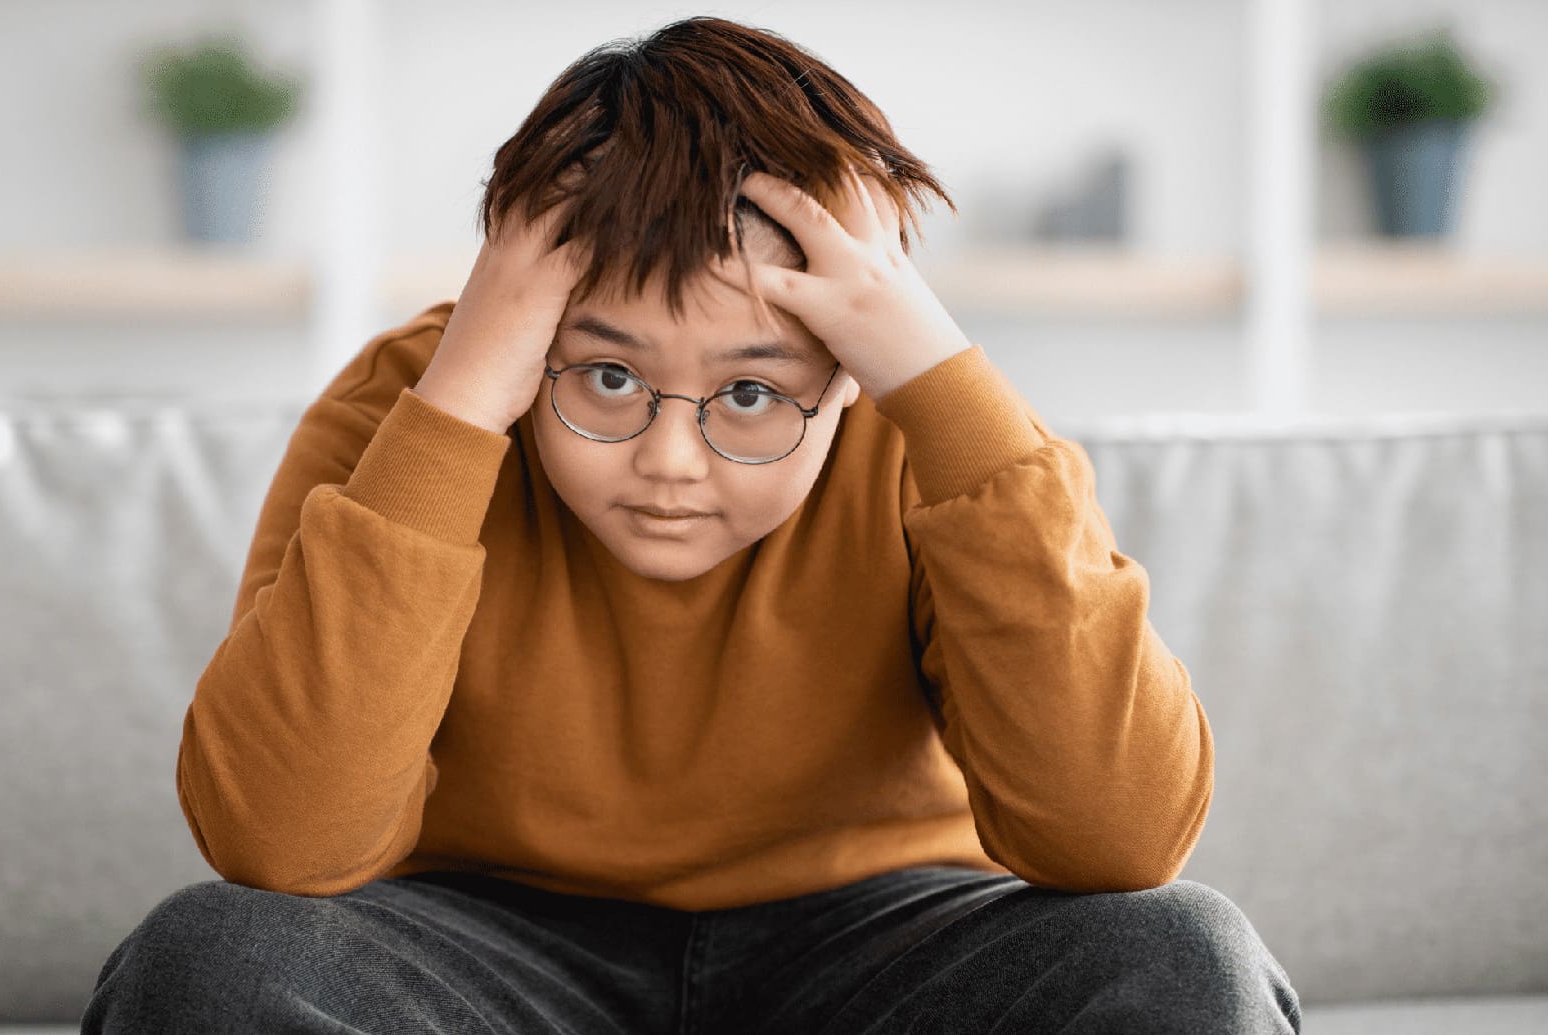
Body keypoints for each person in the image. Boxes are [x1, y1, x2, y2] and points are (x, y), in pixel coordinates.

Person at [83, 15, 1300, 1033]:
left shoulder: (927, 431)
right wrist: (463, 396)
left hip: (876, 942)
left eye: (756, 395)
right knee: (212, 959)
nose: (670, 463)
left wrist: (940, 384)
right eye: (606, 378)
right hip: (488, 943)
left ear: (846, 365)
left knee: (1183, 953)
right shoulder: (412, 407)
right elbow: (280, 842)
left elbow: (1121, 836)